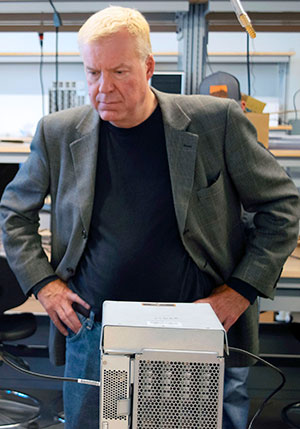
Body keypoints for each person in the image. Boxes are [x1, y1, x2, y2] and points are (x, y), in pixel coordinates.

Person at [0, 6, 299, 429]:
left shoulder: (216, 122)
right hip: (93, 333)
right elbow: (14, 213)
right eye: (92, 73)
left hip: (199, 329)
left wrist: (240, 291)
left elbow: (283, 207)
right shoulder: (58, 131)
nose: (103, 88)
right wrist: (45, 286)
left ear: (149, 67)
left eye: (119, 72)